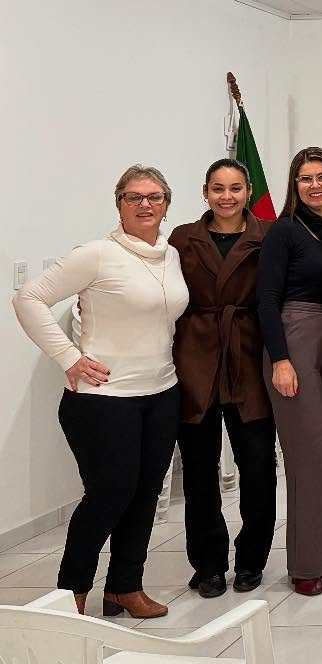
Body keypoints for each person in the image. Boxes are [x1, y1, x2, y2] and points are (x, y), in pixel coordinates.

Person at [12, 165, 189, 618]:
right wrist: (69, 357)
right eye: (134, 197)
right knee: (110, 495)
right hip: (103, 402)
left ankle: (125, 588)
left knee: (147, 493)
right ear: (119, 204)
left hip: (161, 392)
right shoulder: (95, 254)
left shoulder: (169, 255)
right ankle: (70, 594)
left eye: (154, 197)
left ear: (167, 204)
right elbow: (28, 298)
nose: (145, 205)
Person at [169, 158, 275, 599]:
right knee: (199, 470)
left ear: (248, 192)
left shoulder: (268, 236)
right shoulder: (181, 238)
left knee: (257, 468)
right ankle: (208, 564)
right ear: (205, 192)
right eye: (218, 188)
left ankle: (252, 559)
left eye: (234, 188)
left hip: (249, 357)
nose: (226, 197)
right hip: (195, 357)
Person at [257, 146, 322, 596]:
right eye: (305, 178)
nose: (315, 185)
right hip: (295, 338)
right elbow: (267, 299)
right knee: (308, 453)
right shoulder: (283, 232)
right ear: (294, 186)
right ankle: (302, 566)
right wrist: (280, 359)